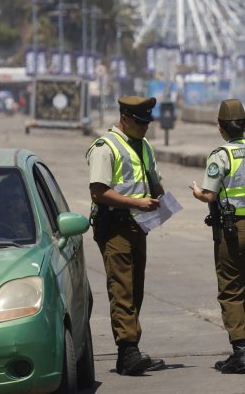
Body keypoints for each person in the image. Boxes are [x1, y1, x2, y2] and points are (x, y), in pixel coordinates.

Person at [86, 95, 166, 376]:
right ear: (126, 118)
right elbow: (99, 191)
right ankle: (127, 351)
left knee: (135, 288)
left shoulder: (143, 145)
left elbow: (153, 178)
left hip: (138, 225)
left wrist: (158, 194)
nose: (145, 128)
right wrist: (137, 203)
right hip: (115, 226)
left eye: (148, 122)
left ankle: (130, 351)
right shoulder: (104, 147)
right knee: (121, 288)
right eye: (141, 122)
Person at [190, 98, 245, 374]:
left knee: (230, 292)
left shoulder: (220, 155)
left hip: (234, 231)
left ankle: (241, 353)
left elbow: (210, 194)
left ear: (221, 127)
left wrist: (196, 192)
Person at [0, 175, 33, 239]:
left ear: (25, 204)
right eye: (5, 197)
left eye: (15, 198)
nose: (10, 203)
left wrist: (26, 235)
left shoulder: (35, 228)